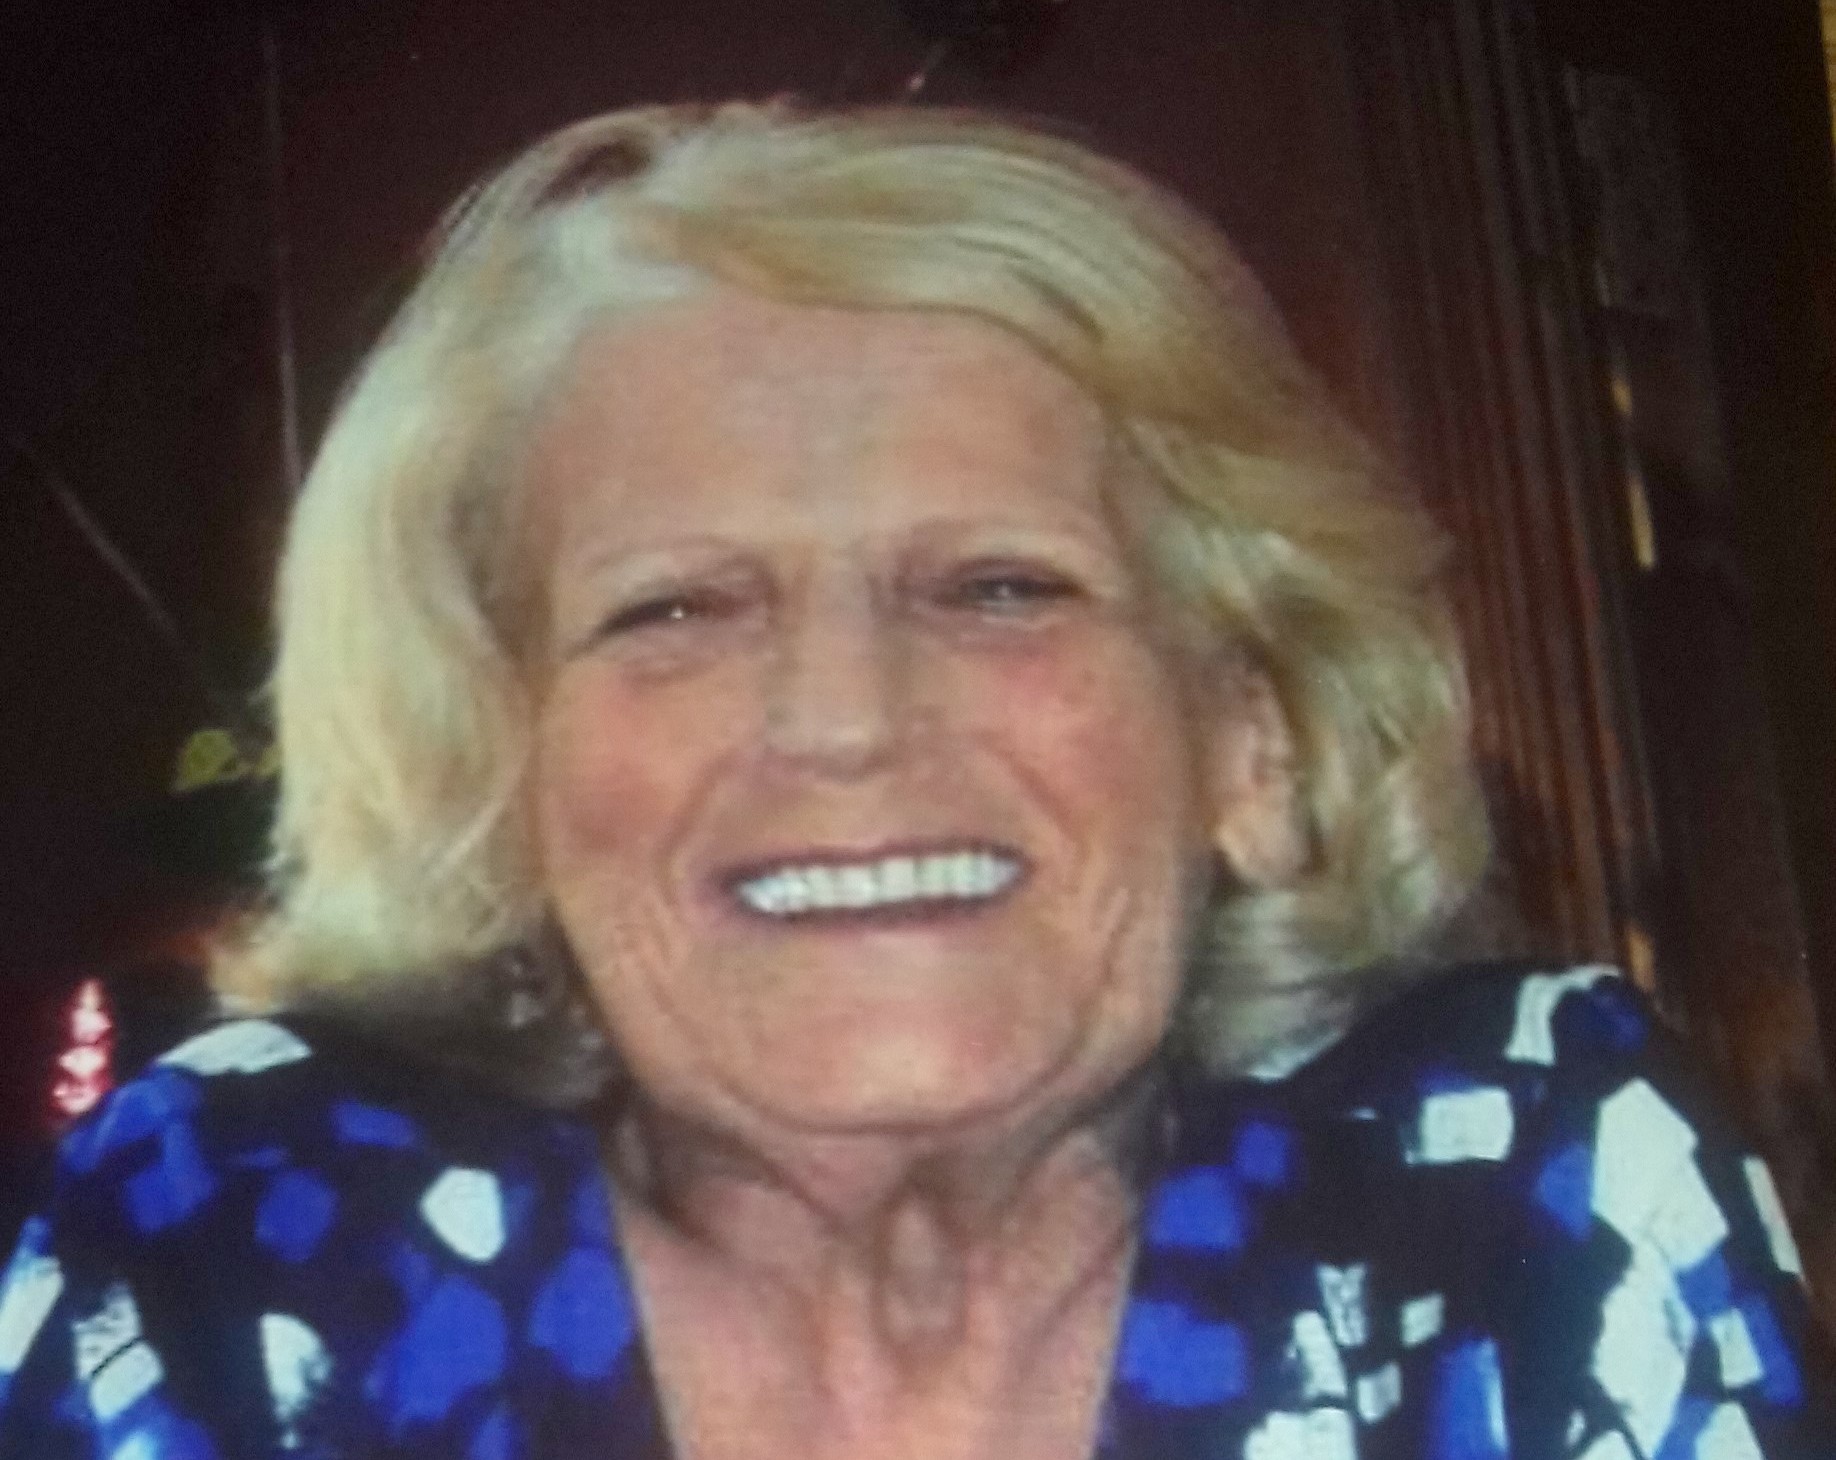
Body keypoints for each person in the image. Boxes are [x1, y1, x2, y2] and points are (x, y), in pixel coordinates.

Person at [0, 101, 1825, 1460]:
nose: (846, 719)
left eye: (1001, 587)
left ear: (1248, 737)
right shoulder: (241, 1221)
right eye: (679, 608)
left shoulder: (1509, 1168)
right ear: (500, 770)